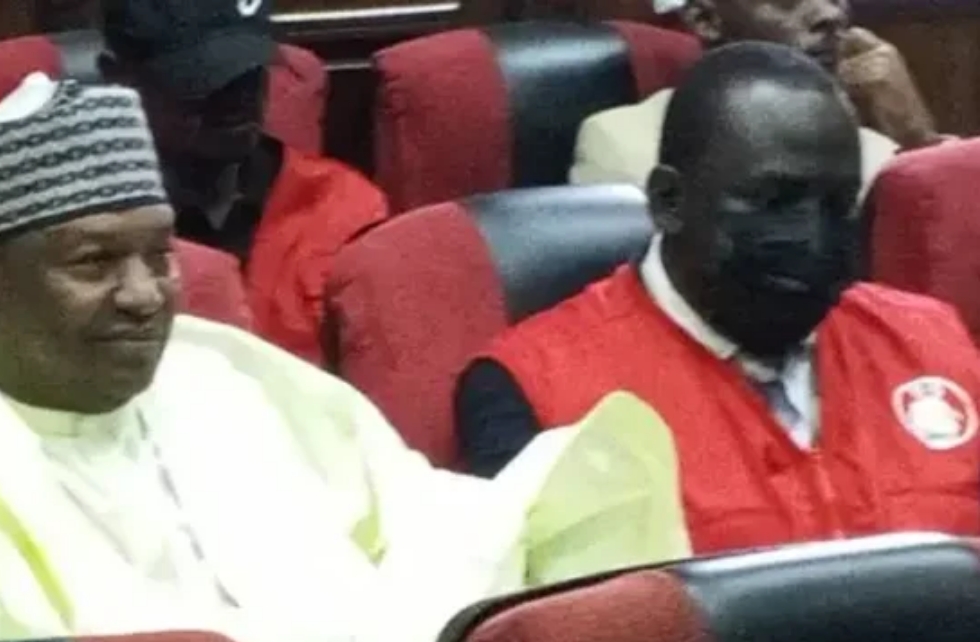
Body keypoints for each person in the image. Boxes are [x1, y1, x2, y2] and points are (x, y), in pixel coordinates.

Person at [0, 75, 689, 642]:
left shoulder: (231, 378)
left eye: (156, 254)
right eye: (92, 262)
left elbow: (436, 530)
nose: (142, 296)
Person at [457, 43, 980, 554]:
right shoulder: (540, 390)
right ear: (668, 202)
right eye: (774, 202)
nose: (816, 240)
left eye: (839, 204)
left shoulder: (929, 340)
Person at [97, 0, 389, 365]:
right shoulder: (89, 235)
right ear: (119, 79)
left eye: (250, 71)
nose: (239, 96)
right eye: (203, 78)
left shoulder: (344, 209)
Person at [570, 0, 948, 194]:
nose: (829, 15)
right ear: (706, 20)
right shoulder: (625, 142)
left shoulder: (878, 149)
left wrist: (918, 139)